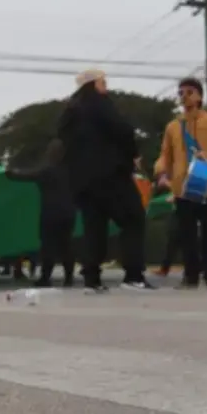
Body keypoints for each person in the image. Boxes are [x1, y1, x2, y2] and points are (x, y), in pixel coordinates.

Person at [58, 69, 153, 293]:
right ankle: (133, 276)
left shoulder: (70, 112)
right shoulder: (99, 103)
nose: (106, 86)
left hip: (82, 181)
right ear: (94, 84)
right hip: (110, 175)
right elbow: (123, 129)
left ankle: (92, 279)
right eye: (103, 82)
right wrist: (133, 155)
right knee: (133, 219)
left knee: (94, 227)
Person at [154, 77, 207, 289]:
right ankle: (190, 276)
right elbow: (165, 155)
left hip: (206, 180)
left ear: (199, 96)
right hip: (181, 186)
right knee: (186, 234)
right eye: (180, 92)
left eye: (189, 92)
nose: (184, 96)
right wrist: (160, 171)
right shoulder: (173, 126)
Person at [5, 139, 76, 287]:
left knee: (48, 246)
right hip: (69, 213)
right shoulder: (71, 171)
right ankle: (69, 278)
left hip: (50, 213)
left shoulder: (46, 171)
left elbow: (22, 176)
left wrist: (9, 172)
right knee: (66, 245)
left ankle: (45, 278)